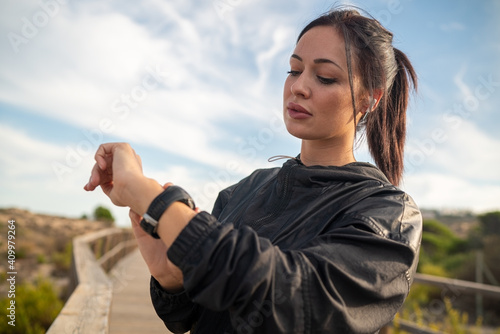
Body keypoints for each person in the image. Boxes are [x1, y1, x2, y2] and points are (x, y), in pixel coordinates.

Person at [84, 6, 422, 334]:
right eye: (294, 70)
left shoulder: (388, 214)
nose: (299, 87)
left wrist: (156, 201)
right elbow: (192, 318)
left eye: (325, 77)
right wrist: (172, 278)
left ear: (369, 99)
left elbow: (295, 304)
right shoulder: (242, 191)